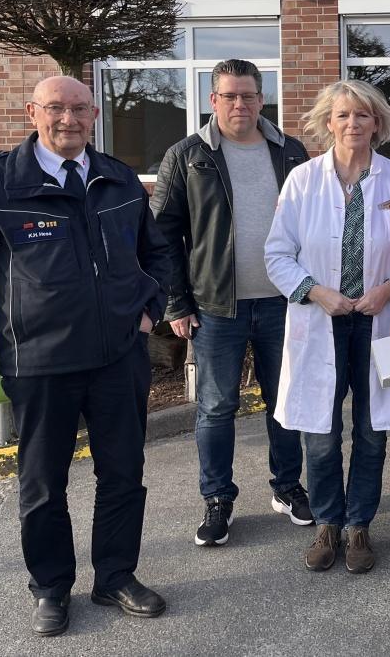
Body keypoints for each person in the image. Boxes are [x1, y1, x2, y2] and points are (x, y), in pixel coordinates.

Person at [0, 76, 171, 637]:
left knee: (125, 473)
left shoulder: (117, 178)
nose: (68, 119)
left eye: (78, 109)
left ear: (93, 114)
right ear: (32, 113)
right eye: (55, 109)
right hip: (38, 363)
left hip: (117, 358)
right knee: (43, 484)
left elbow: (160, 254)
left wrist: (149, 313)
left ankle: (115, 575)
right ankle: (50, 587)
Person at [151, 59, 310, 547]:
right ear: (213, 101)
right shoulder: (187, 155)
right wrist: (177, 303)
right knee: (217, 408)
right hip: (216, 307)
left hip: (284, 303)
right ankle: (217, 498)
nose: (239, 104)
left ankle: (287, 487)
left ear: (262, 100)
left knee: (284, 402)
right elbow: (162, 237)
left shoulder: (290, 151)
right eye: (228, 96)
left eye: (248, 95)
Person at [264, 80, 390, 574]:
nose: (353, 124)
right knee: (320, 432)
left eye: (363, 116)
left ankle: (359, 526)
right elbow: (277, 254)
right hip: (319, 320)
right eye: (343, 116)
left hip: (377, 320)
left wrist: (389, 288)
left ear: (378, 123)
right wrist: (315, 290)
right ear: (328, 123)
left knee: (372, 432)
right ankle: (328, 522)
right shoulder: (303, 180)